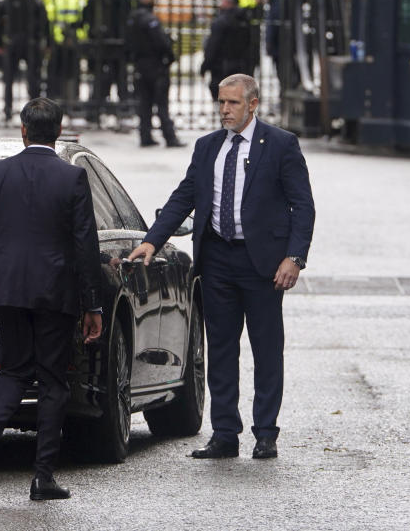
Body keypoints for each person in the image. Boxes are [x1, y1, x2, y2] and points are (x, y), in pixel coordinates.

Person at [128, 74, 315, 461]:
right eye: (221, 103)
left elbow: (303, 206)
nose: (224, 110)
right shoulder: (207, 146)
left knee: (266, 350)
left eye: (232, 103)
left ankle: (265, 433)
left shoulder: (280, 145)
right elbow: (184, 197)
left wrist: (294, 258)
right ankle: (224, 433)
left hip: (263, 263)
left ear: (253, 104)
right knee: (222, 349)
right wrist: (151, 240)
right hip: (217, 262)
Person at [0, 98, 103, 501]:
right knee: (51, 381)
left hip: (8, 289)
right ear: (59, 131)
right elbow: (85, 244)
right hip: (54, 292)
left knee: (13, 371)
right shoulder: (72, 178)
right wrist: (93, 305)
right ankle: (42, 476)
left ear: (23, 129)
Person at [125, 0, 183, 147]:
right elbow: (162, 43)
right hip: (155, 66)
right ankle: (170, 137)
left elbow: (128, 45)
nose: (153, 0)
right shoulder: (150, 20)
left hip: (140, 65)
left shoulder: (132, 18)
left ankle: (145, 136)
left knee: (144, 103)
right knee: (161, 104)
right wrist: (170, 57)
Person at [0, 0, 49, 121]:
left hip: (23, 43)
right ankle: (16, 109)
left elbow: (45, 23)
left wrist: (46, 41)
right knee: (21, 78)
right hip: (22, 43)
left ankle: (25, 109)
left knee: (29, 79)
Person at [83, 0, 131, 119]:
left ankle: (123, 108)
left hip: (117, 41)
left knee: (120, 75)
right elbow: (88, 15)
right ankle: (96, 108)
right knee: (99, 77)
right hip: (100, 42)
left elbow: (125, 14)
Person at [201, 0, 253, 102]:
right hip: (241, 68)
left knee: (224, 105)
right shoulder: (244, 20)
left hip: (222, 70)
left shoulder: (220, 22)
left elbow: (212, 47)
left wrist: (204, 67)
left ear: (228, 2)